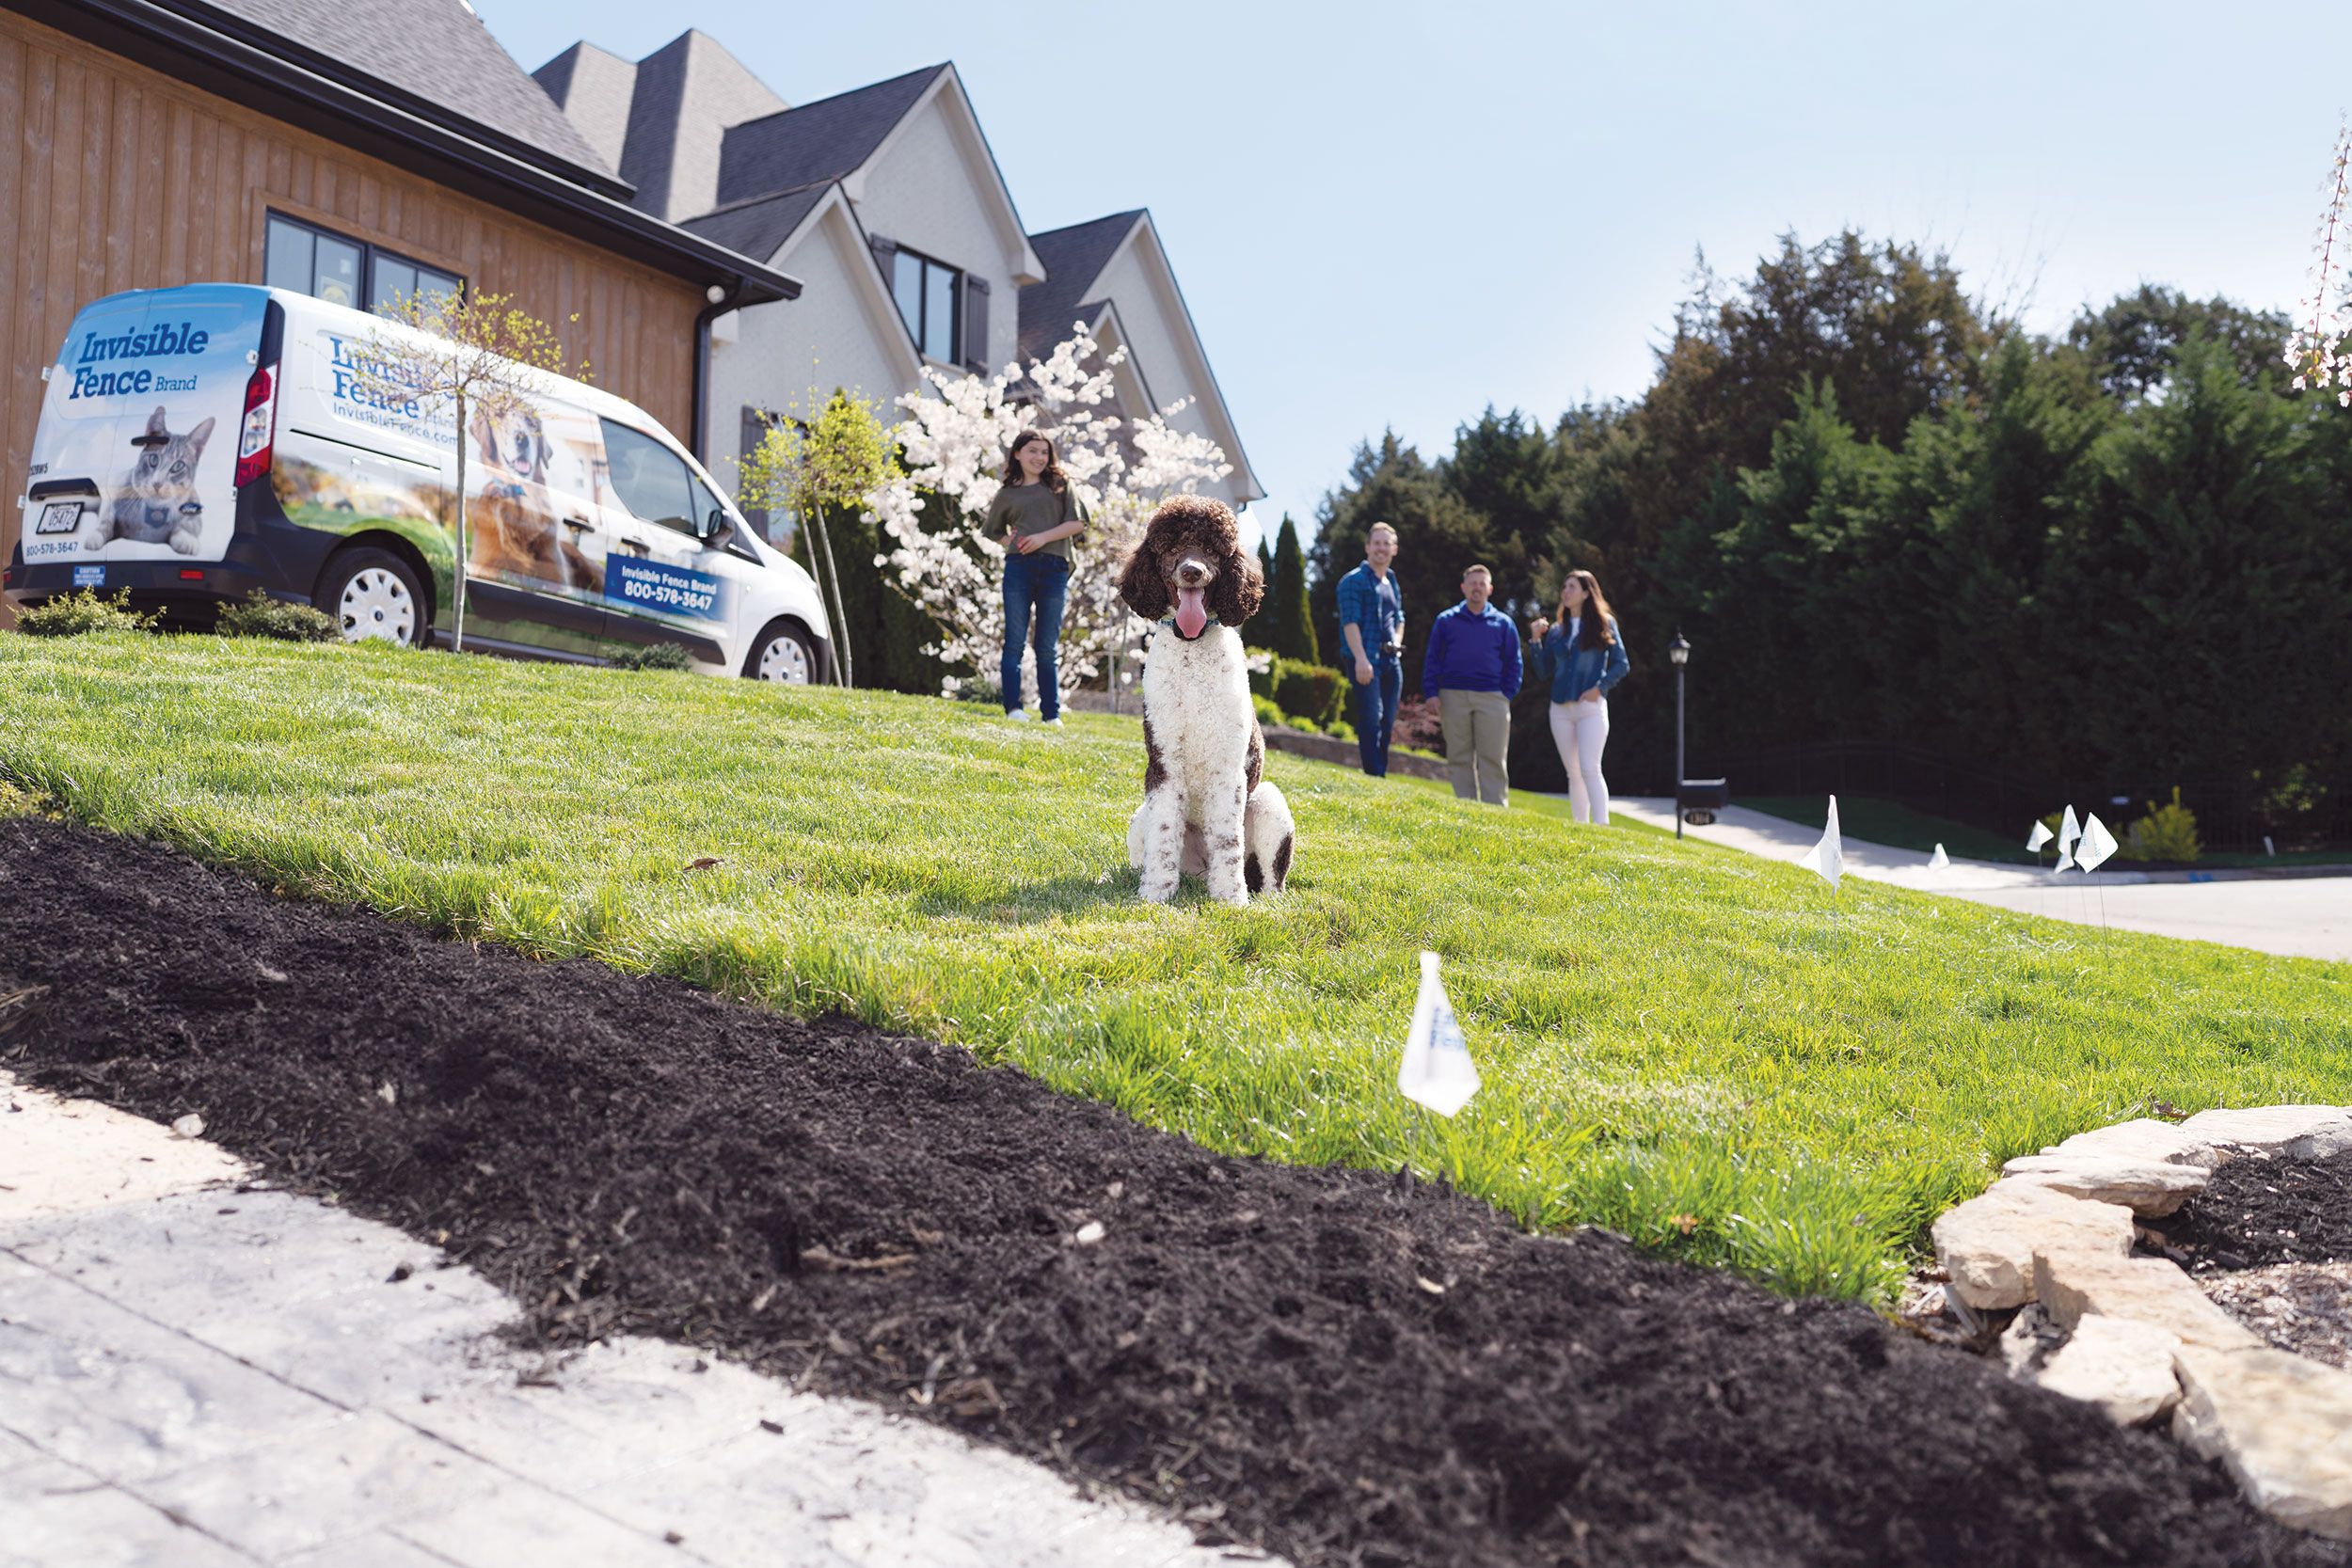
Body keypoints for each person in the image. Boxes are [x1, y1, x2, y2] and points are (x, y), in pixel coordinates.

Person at [987, 429, 1088, 724]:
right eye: (1032, 450)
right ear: (1017, 453)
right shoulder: (1007, 493)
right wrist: (1014, 544)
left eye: (1044, 452)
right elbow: (993, 531)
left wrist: (1042, 538)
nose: (1039, 457)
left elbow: (1078, 522)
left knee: (1046, 645)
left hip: (1055, 568)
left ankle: (1050, 714)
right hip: (1019, 568)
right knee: (1014, 642)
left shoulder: (1060, 485)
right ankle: (1013, 709)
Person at [1529, 569, 1629, 824]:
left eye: (1572, 587)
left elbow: (1621, 664)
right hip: (1560, 708)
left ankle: (1602, 828)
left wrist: (1601, 687)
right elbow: (1543, 671)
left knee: (1589, 767)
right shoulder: (1556, 631)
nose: (1566, 591)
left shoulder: (1605, 624)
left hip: (1590, 708)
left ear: (1586, 593)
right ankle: (1580, 828)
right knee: (1573, 773)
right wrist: (1535, 640)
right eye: (1564, 586)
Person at [1422, 564, 1522, 805]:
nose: (1477, 588)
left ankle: (1495, 810)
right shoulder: (1446, 621)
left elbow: (1514, 662)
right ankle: (1466, 806)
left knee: (1493, 758)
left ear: (1490, 589)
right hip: (1453, 696)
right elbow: (1433, 659)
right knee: (1458, 756)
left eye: (1481, 584)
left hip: (1492, 698)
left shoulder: (1504, 623)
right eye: (1472, 583)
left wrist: (1505, 694)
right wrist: (1432, 693)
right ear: (1463, 588)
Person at [1333, 522, 1405, 775]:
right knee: (1371, 717)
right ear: (1367, 547)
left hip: (1391, 660)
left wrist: (1396, 641)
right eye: (1377, 543)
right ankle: (1373, 773)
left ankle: (1380, 771)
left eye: (1387, 544)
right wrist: (1362, 660)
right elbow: (1349, 622)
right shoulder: (1353, 581)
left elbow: (1399, 618)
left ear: (1394, 549)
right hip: (1364, 658)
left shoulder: (1391, 580)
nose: (1381, 548)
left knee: (1387, 721)